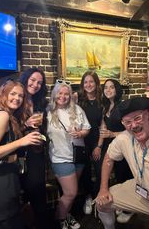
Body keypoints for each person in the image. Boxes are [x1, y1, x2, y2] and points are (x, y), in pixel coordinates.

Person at [95, 96, 149, 229]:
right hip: (142, 194)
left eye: (137, 118)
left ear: (147, 115)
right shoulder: (124, 138)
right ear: (123, 124)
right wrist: (103, 188)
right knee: (102, 202)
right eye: (127, 122)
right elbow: (109, 158)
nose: (134, 125)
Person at [0, 80, 42, 229]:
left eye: (20, 96)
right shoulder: (2, 115)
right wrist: (22, 141)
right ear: (3, 94)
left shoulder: (9, 116)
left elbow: (5, 138)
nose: (17, 98)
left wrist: (24, 126)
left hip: (6, 176)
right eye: (13, 93)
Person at [47, 80, 91, 229]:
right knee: (71, 193)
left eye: (66, 94)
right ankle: (60, 219)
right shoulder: (47, 112)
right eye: (60, 93)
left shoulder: (77, 109)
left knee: (70, 191)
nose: (63, 96)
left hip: (78, 156)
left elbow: (87, 128)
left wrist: (80, 133)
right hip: (60, 158)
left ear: (70, 95)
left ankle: (66, 214)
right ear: (54, 95)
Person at [97, 79, 133, 223]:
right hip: (110, 145)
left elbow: (130, 131)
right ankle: (122, 202)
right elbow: (103, 127)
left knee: (124, 176)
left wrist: (111, 134)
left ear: (117, 89)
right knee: (114, 177)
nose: (108, 90)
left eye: (112, 87)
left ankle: (129, 209)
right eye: (106, 87)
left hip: (123, 146)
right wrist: (99, 145)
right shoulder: (106, 106)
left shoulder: (123, 106)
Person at [18, 68, 49, 229]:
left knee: (38, 189)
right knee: (23, 191)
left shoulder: (39, 102)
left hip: (36, 151)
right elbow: (9, 130)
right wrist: (25, 124)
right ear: (25, 78)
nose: (35, 84)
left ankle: (40, 222)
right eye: (33, 80)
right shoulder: (16, 100)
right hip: (19, 154)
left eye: (39, 82)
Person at [75, 70, 103, 215]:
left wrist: (98, 146)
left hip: (97, 141)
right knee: (85, 172)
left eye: (91, 81)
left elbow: (103, 126)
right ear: (82, 84)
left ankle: (99, 198)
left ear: (96, 83)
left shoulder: (102, 101)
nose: (88, 84)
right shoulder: (78, 99)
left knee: (100, 171)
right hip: (81, 141)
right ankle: (88, 197)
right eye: (85, 82)